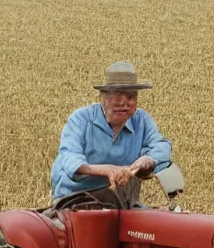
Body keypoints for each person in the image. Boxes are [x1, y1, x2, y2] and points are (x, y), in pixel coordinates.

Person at [50, 61, 172, 207]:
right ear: (103, 98)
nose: (124, 103)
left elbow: (162, 146)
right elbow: (70, 158)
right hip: (74, 199)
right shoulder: (80, 119)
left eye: (130, 96)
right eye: (118, 95)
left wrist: (149, 159)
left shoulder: (142, 121)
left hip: (120, 201)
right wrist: (108, 170)